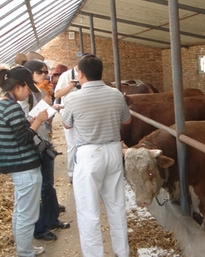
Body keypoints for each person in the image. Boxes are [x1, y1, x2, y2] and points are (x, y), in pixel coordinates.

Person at [62, 54, 131, 257]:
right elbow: (126, 121)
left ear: (80, 74)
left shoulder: (74, 97)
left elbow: (66, 124)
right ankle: (122, 252)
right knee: (117, 205)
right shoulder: (116, 93)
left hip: (89, 154)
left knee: (88, 210)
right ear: (101, 72)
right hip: (113, 151)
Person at [0, 66, 48, 256]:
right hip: (24, 167)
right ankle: (25, 253)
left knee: (20, 210)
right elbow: (24, 138)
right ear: (17, 86)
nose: (29, 92)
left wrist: (30, 119)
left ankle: (24, 248)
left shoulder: (3, 104)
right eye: (27, 88)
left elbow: (17, 132)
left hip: (18, 166)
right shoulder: (12, 107)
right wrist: (38, 121)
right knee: (27, 214)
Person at [21, 60, 70, 241]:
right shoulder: (25, 95)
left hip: (44, 141)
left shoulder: (38, 91)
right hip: (34, 143)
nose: (44, 75)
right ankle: (41, 227)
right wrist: (43, 110)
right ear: (30, 73)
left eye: (45, 72)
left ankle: (52, 217)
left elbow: (43, 119)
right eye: (40, 72)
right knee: (40, 186)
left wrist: (50, 109)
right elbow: (26, 121)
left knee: (47, 184)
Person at [54, 63, 81, 183]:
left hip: (83, 114)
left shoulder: (87, 75)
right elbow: (57, 94)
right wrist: (70, 86)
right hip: (69, 113)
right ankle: (72, 173)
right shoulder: (65, 76)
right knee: (72, 146)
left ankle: (81, 171)